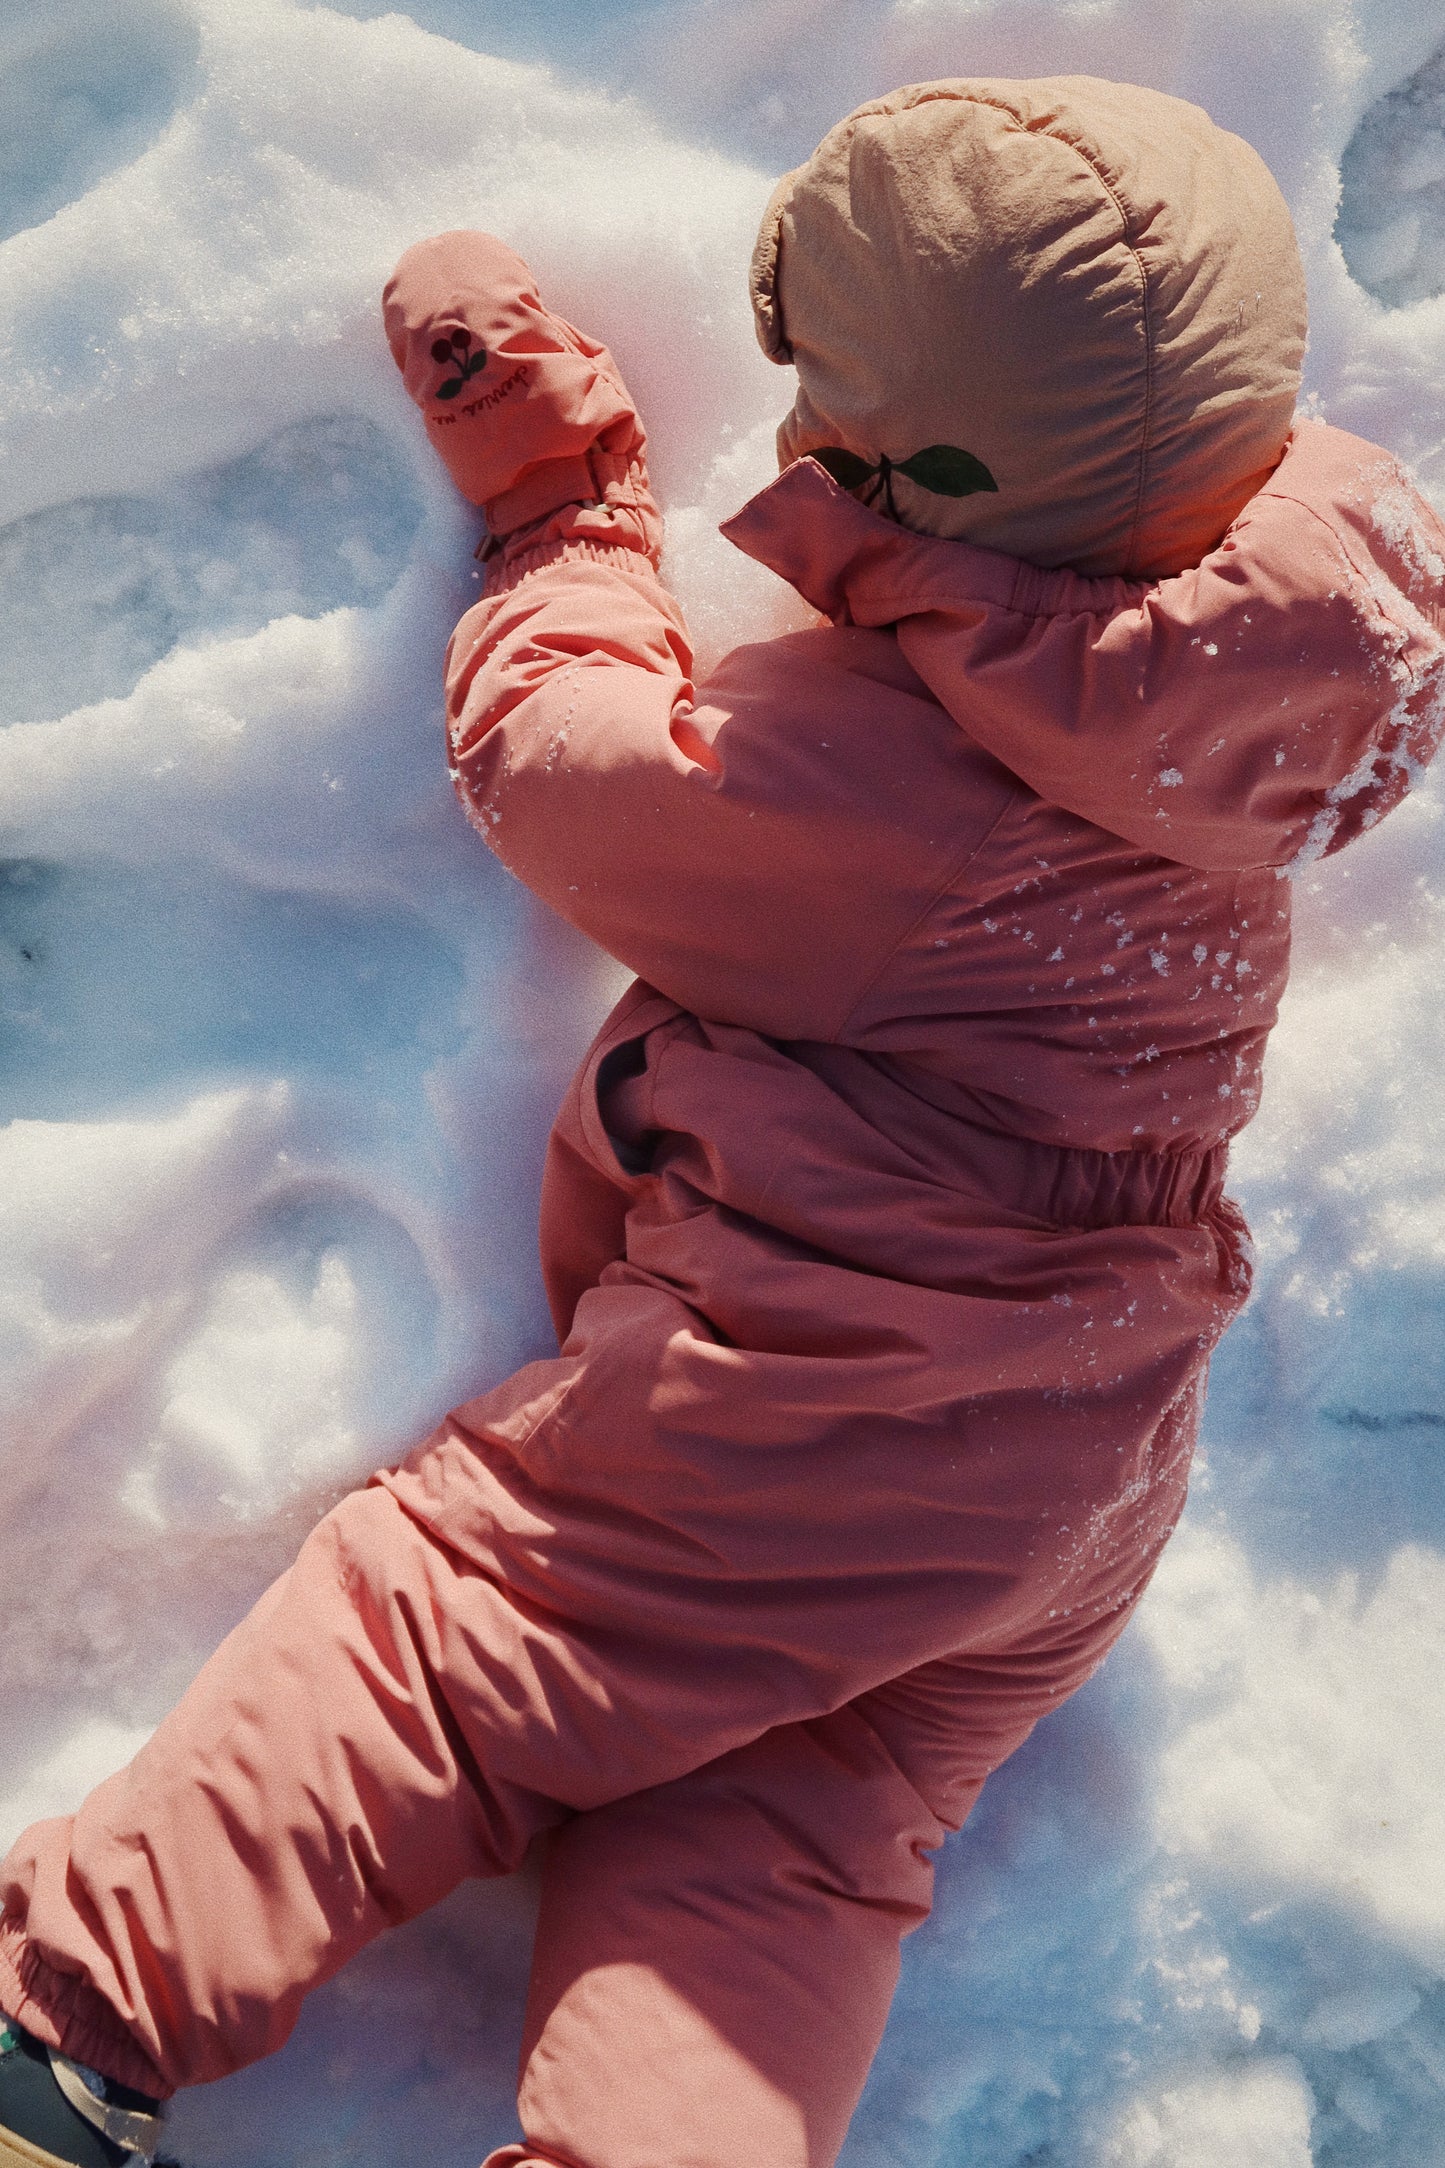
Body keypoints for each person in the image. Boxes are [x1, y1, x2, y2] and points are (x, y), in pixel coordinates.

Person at [2, 73, 1443, 2168]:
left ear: (911, 467)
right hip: (1078, 1467)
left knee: (450, 1632)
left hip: (827, 1421)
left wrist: (565, 514)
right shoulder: (1246, 700)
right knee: (783, 1819)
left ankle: (66, 2011)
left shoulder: (897, 801)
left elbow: (564, 769)